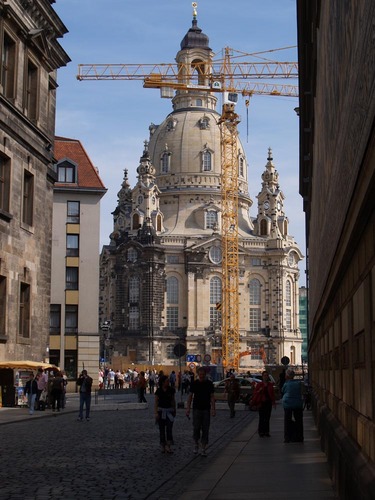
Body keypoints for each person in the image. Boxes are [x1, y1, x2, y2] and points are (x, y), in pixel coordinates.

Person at [186, 366, 216, 457]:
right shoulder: (194, 384)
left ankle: (203, 448)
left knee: (205, 429)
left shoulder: (209, 384)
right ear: (198, 375)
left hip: (206, 409)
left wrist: (213, 409)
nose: (202, 376)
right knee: (196, 427)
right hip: (196, 409)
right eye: (200, 374)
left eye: (203, 374)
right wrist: (188, 408)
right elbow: (190, 396)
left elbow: (212, 397)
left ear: (205, 375)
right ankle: (196, 443)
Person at [154, 375, 176, 453]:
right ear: (163, 382)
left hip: (169, 411)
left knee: (169, 429)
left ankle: (168, 445)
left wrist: (174, 410)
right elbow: (156, 402)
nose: (168, 382)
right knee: (162, 429)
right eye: (167, 381)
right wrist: (156, 412)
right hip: (161, 412)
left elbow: (173, 400)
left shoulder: (171, 390)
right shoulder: (159, 391)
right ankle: (163, 445)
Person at [281, 369, 304, 443]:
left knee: (287, 420)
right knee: (299, 421)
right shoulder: (298, 383)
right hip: (297, 404)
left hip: (288, 404)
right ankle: (299, 437)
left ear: (287, 376)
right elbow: (302, 391)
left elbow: (283, 391)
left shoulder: (286, 384)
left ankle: (287, 437)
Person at [252, 371, 276, 437]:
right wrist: (259, 390)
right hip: (261, 403)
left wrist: (273, 403)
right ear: (262, 377)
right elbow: (255, 393)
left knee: (267, 418)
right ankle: (261, 431)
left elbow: (272, 394)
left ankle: (266, 431)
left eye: (267, 375)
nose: (266, 377)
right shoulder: (259, 384)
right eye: (265, 375)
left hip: (268, 403)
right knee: (262, 417)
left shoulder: (270, 385)